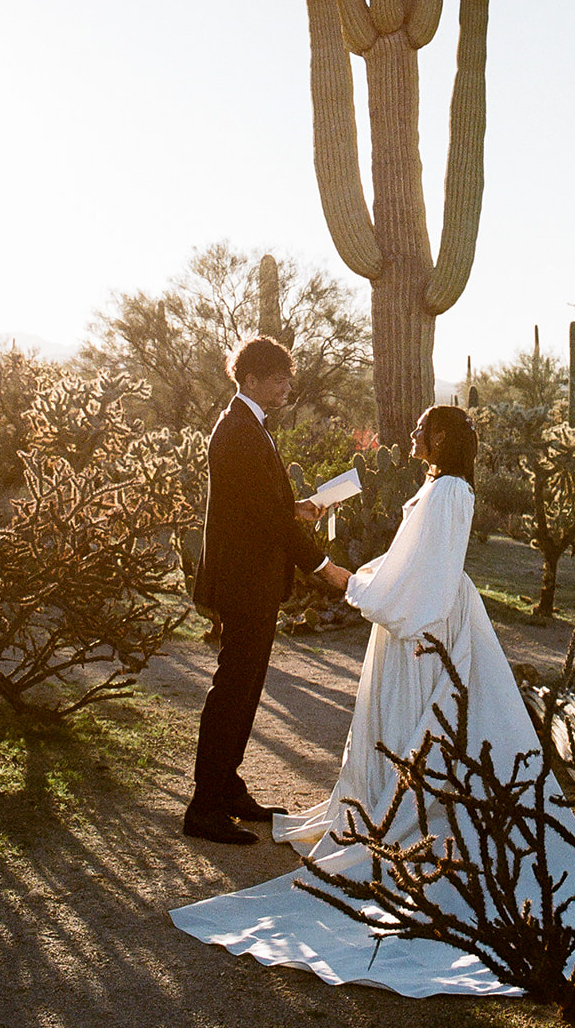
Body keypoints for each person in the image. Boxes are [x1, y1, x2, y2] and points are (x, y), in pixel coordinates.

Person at [172, 404, 575, 997]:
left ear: (439, 438)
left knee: (432, 729)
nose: (410, 434)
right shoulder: (440, 486)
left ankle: (413, 819)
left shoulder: (448, 492)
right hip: (419, 614)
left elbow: (426, 581)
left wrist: (349, 581)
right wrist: (363, 579)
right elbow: (412, 563)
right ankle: (388, 804)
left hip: (425, 628)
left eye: (420, 428)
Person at [183, 336, 352, 846]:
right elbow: (261, 520)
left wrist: (295, 506)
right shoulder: (238, 428)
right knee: (233, 688)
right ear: (250, 378)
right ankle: (204, 807)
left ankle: (226, 787)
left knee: (245, 686)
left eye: (286, 377)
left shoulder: (247, 424)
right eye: (277, 377)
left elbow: (256, 503)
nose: (285, 386)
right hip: (243, 580)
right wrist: (324, 567)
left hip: (251, 579)